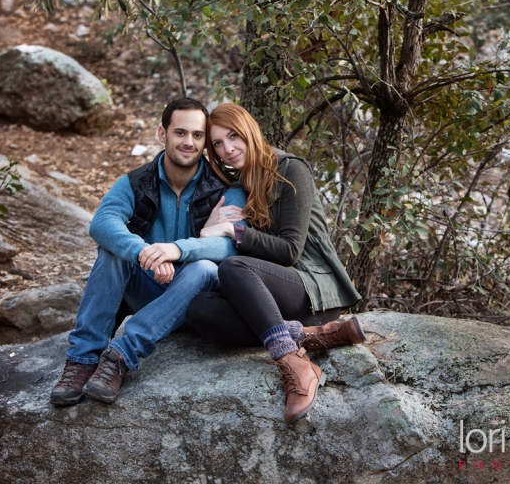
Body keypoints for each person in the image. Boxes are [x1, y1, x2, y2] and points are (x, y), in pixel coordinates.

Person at [50, 98, 246, 406]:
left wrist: (177, 251)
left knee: (205, 268)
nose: (189, 142)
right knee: (113, 252)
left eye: (197, 135)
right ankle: (82, 361)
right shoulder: (137, 181)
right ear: (162, 134)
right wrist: (144, 252)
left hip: (194, 300)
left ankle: (120, 357)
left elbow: (230, 243)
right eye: (180, 133)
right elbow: (102, 223)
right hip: (150, 287)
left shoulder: (226, 187)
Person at [184, 103, 363, 423]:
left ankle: (294, 362)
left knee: (232, 268)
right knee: (201, 308)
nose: (228, 149)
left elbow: (289, 251)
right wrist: (210, 226)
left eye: (234, 136)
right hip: (277, 297)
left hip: (313, 288)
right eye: (218, 144)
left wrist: (231, 230)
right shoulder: (239, 184)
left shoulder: (292, 169)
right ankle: (307, 335)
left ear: (249, 130)